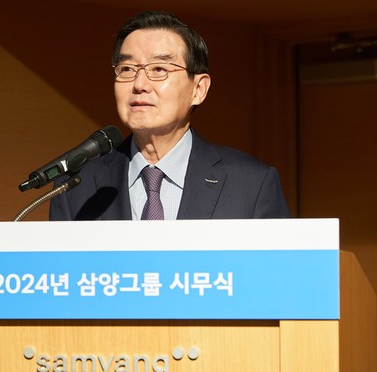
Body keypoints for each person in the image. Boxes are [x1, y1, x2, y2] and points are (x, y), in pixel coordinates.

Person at [49, 11, 290, 221]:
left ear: (198, 89)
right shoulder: (75, 188)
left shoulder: (251, 183)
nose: (139, 84)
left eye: (159, 69)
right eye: (127, 69)